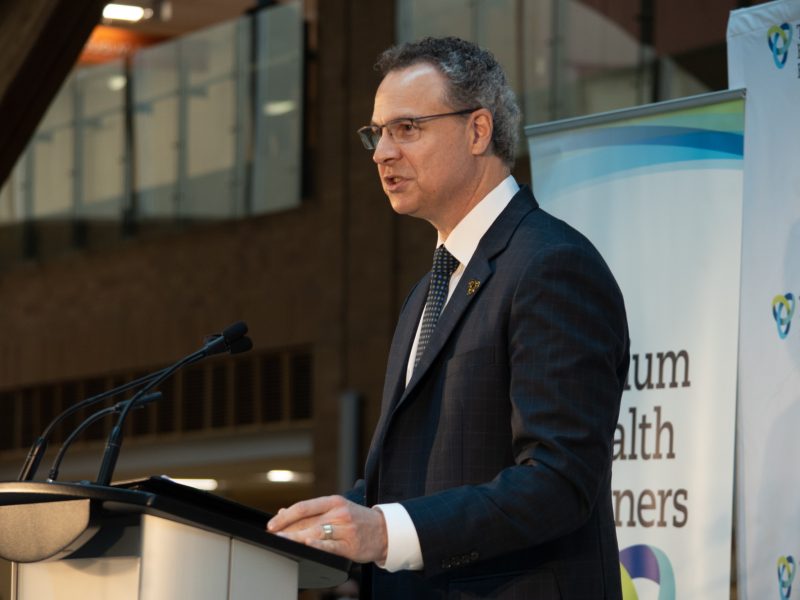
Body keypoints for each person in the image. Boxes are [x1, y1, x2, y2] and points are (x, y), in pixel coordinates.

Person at [267, 36, 630, 599]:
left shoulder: (551, 265)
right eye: (377, 133)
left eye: (407, 128)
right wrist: (331, 524)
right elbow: (414, 475)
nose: (381, 153)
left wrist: (384, 532)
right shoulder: (429, 290)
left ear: (478, 130)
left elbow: (558, 482)